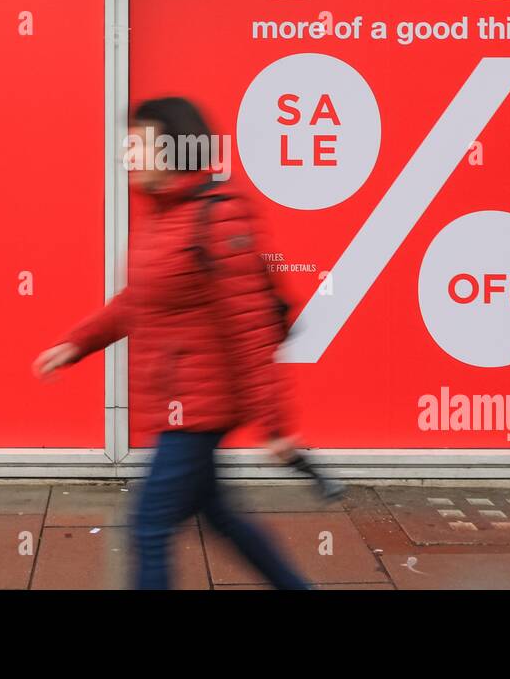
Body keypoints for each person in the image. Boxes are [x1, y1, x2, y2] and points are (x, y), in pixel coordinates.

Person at [32, 96, 310, 590]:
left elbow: (250, 326)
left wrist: (275, 425)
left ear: (175, 149)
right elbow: (138, 301)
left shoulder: (217, 218)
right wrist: (77, 343)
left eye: (138, 144)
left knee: (149, 523)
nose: (128, 154)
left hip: (202, 406)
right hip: (177, 400)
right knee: (219, 516)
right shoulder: (161, 215)